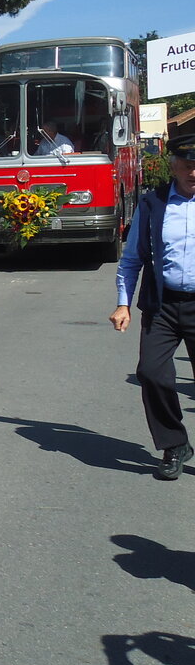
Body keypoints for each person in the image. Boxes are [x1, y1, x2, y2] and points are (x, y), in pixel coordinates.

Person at [110, 134, 195, 480]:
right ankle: (174, 444)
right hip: (162, 305)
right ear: (173, 167)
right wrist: (123, 304)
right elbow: (132, 259)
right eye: (188, 166)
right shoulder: (153, 204)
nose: (194, 172)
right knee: (151, 373)